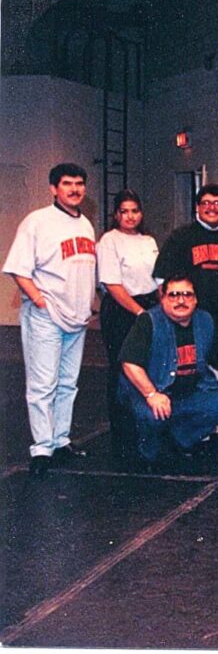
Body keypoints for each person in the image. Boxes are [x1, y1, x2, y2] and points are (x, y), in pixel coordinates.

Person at [4, 163, 96, 476]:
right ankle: (42, 447)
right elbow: (18, 268)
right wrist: (40, 300)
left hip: (76, 318)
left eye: (79, 183)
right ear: (53, 189)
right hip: (46, 316)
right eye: (67, 183)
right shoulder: (37, 222)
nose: (74, 189)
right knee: (43, 384)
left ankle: (60, 440)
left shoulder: (85, 224)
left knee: (68, 383)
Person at [119, 274, 218, 466]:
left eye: (187, 295)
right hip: (152, 393)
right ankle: (150, 449)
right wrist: (151, 394)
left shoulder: (205, 321)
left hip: (191, 393)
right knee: (153, 418)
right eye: (173, 295)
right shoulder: (148, 321)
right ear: (162, 298)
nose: (181, 300)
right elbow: (129, 363)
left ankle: (180, 440)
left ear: (195, 299)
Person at [96, 189, 160, 461]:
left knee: (148, 366)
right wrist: (139, 312)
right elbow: (112, 284)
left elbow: (158, 280)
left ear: (141, 213)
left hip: (148, 306)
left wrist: (158, 311)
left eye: (135, 211)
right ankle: (122, 431)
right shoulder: (109, 241)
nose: (130, 216)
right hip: (122, 308)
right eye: (124, 211)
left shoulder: (149, 240)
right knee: (122, 367)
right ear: (116, 215)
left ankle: (145, 424)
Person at [153, 183, 218, 346]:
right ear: (197, 207)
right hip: (190, 321)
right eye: (206, 203)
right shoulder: (181, 237)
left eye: (217, 203)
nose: (212, 208)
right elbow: (161, 278)